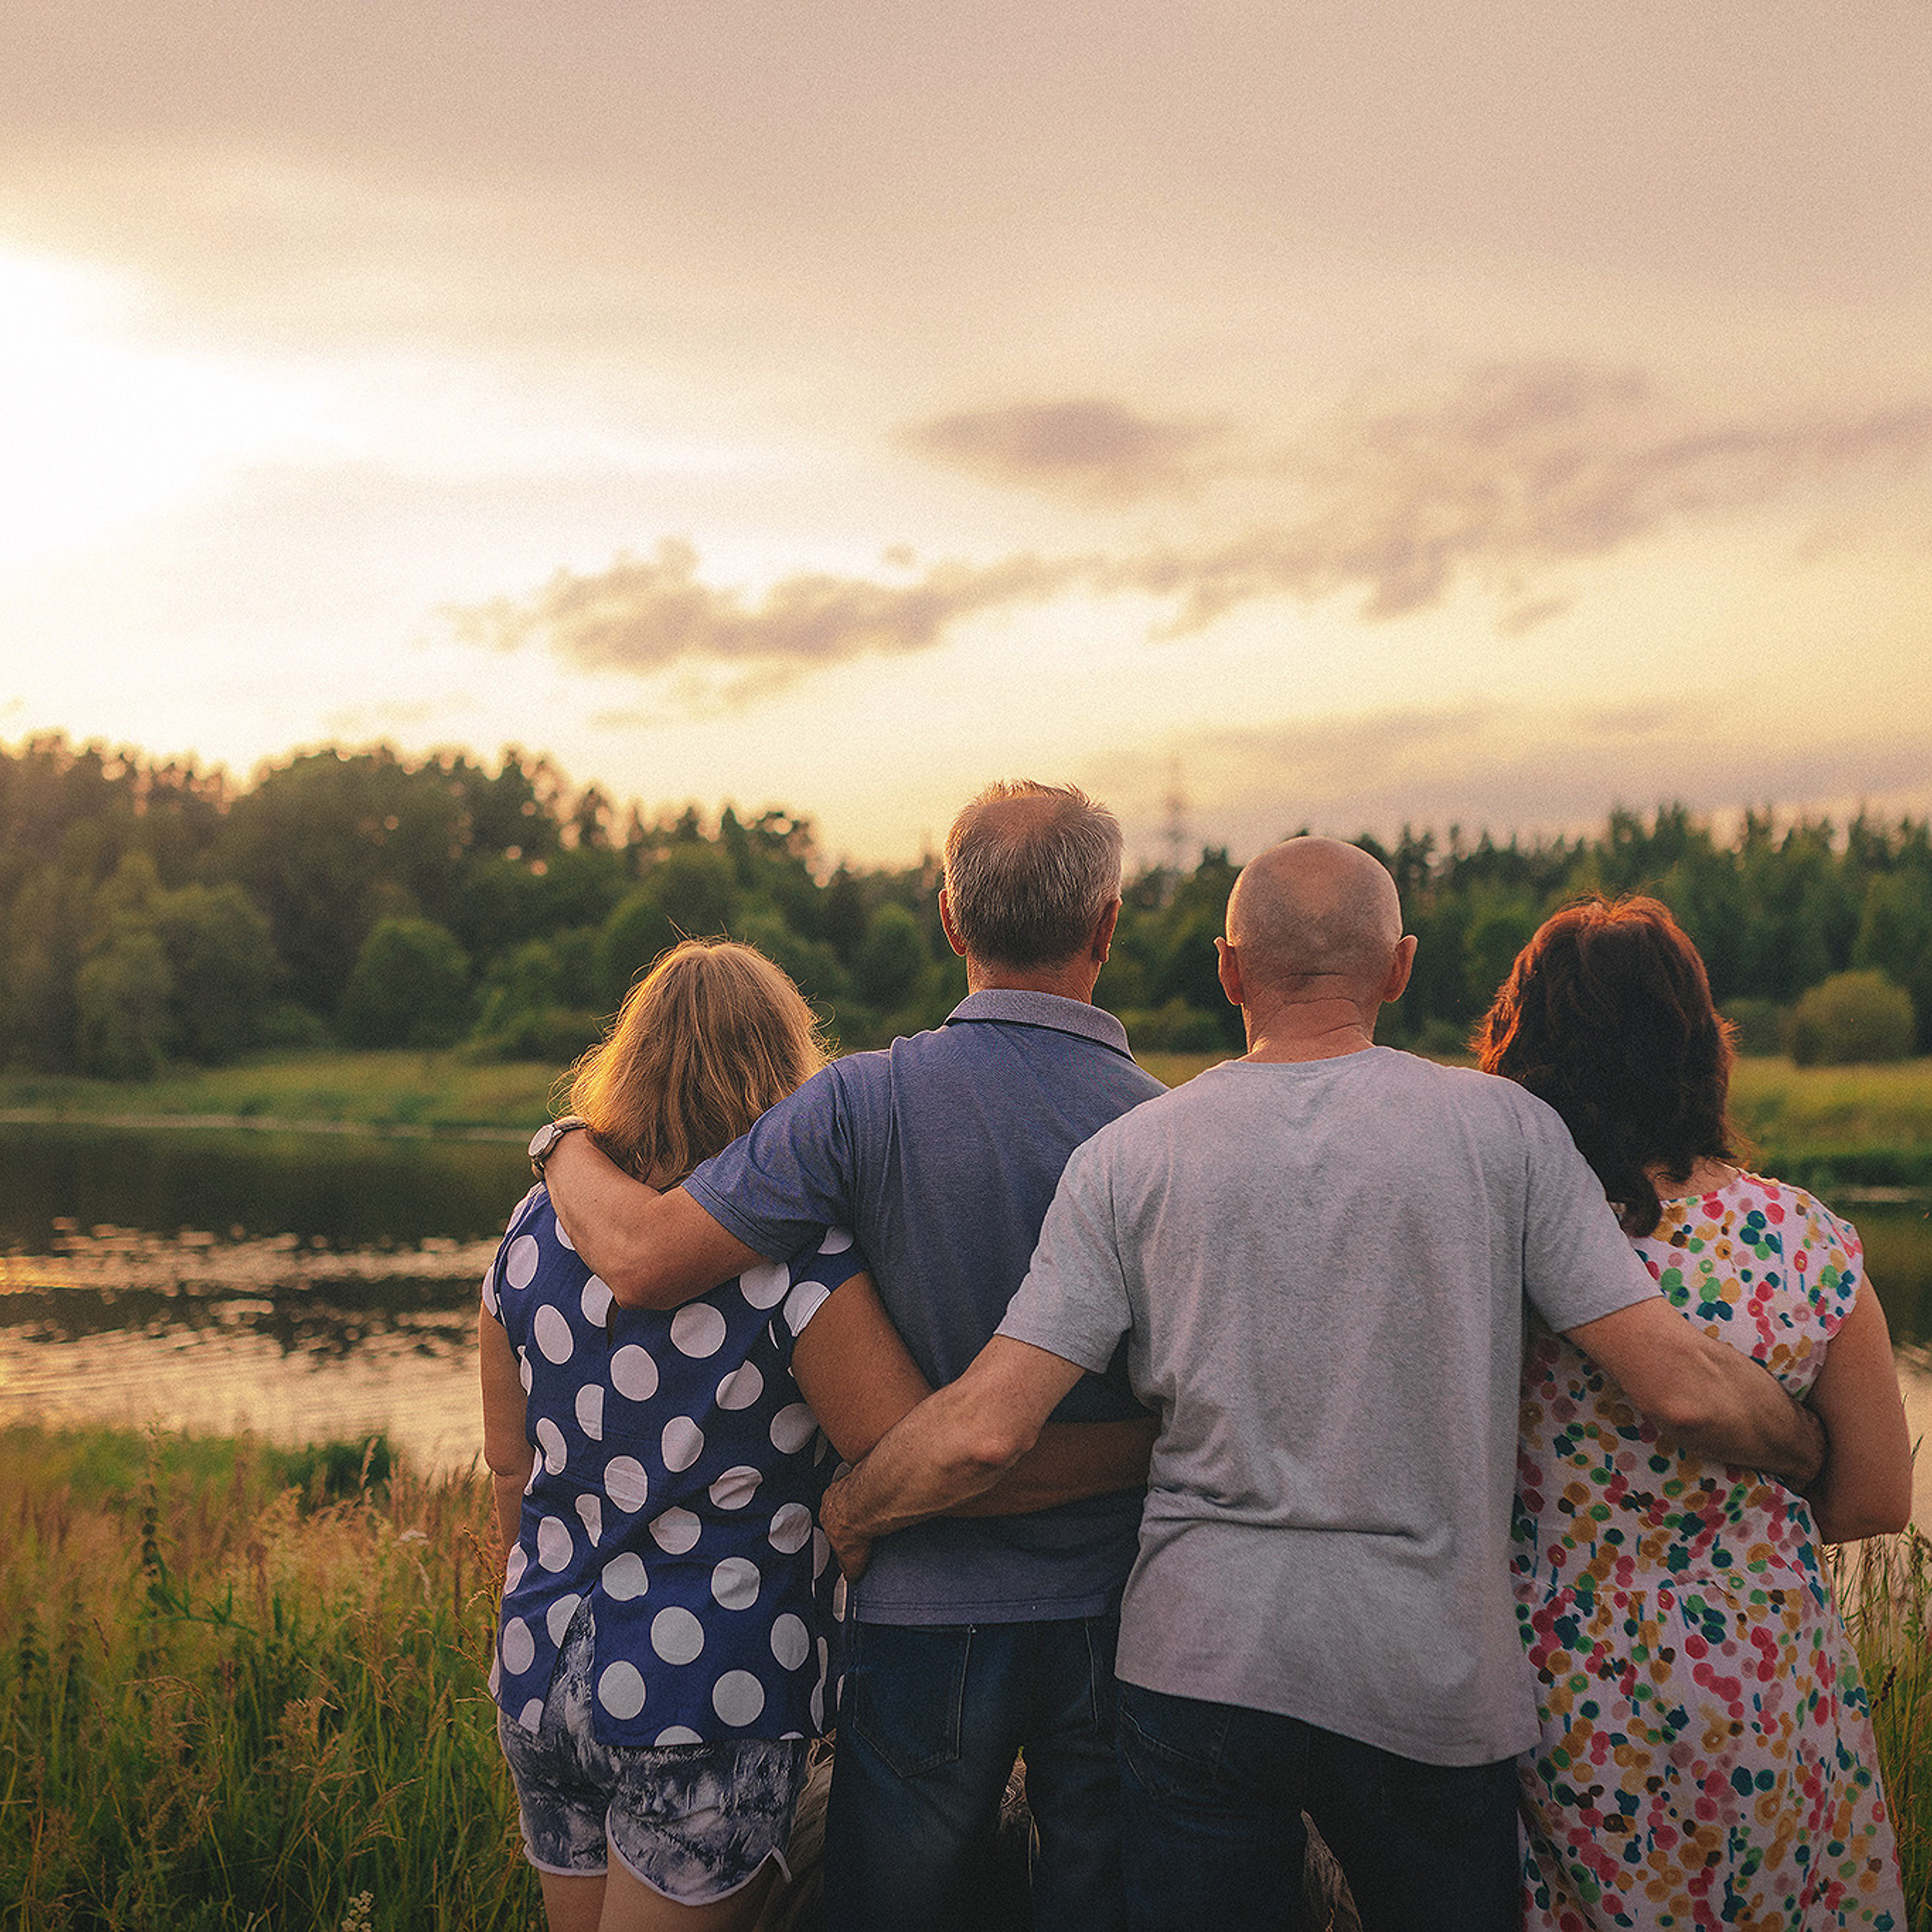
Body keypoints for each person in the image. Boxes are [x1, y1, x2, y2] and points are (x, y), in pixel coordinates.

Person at [817, 837, 1828, 1932]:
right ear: (1398, 968)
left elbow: (987, 1427)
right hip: (1430, 1676)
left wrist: (853, 1508)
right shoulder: (1506, 1133)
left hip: (1202, 1667)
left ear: (1227, 969)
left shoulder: (1133, 1155)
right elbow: (1676, 1386)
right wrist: (1814, 1453)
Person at [541, 780, 1166, 1932]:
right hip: (1112, 1609)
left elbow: (644, 1258)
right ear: (1108, 926)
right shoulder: (1163, 1129)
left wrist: (561, 1144)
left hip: (921, 1612)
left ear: (948, 918)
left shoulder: (858, 1105)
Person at [1476, 894, 1912, 1931]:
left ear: (1520, 1045)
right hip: (1768, 1673)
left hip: (1562, 1673)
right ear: (1700, 1045)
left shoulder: (1511, 1230)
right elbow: (1876, 1499)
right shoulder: (1804, 1236)